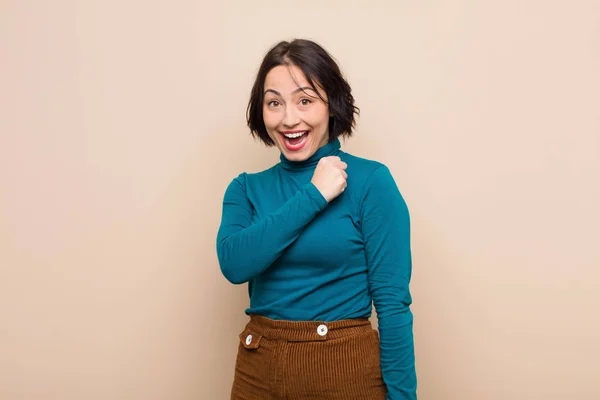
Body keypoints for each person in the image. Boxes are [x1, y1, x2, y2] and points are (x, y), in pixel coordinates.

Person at [216, 38, 417, 400]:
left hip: (346, 372)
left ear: (331, 106)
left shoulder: (372, 182)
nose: (289, 119)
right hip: (258, 373)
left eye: (305, 100)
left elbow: (392, 304)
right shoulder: (245, 189)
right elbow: (234, 264)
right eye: (274, 103)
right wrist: (315, 195)